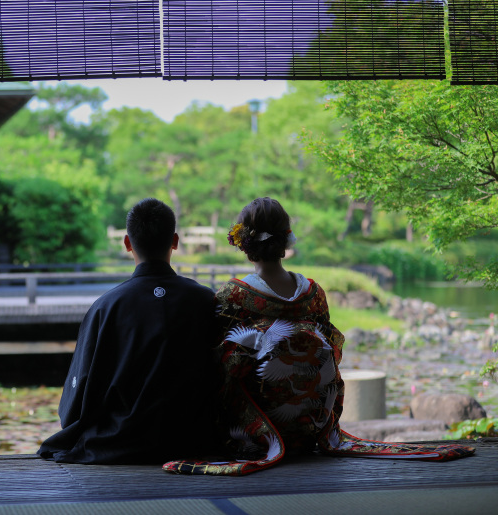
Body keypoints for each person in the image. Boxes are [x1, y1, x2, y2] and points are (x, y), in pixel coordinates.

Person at [164, 197, 475, 476]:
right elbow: (333, 351)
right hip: (310, 427)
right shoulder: (312, 293)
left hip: (257, 432)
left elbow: (219, 365)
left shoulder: (235, 294)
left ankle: (257, 436)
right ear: (285, 241)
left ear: (245, 244)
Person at [38, 198, 222, 463]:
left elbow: (79, 394)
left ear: (127, 243)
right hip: (195, 440)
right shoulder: (207, 300)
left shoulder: (106, 307)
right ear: (175, 241)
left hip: (119, 442)